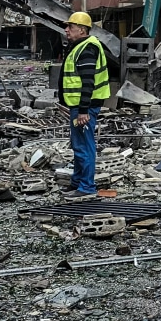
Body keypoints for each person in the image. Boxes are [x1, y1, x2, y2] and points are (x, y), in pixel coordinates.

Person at [58, 11, 110, 200]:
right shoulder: (80, 46)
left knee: (84, 146)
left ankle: (87, 187)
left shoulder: (87, 48)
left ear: (81, 29)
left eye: (70, 27)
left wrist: (83, 111)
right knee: (78, 144)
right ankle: (77, 182)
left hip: (84, 107)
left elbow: (88, 82)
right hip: (79, 106)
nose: (66, 30)